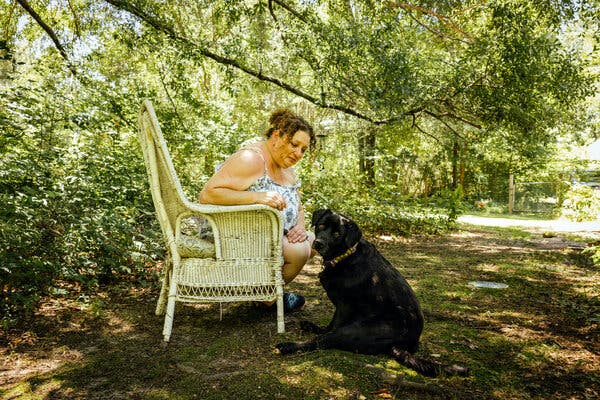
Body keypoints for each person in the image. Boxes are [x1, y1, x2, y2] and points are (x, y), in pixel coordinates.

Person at [199, 108, 317, 312]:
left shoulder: (287, 169)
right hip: (233, 234)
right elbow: (208, 195)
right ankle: (268, 297)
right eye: (294, 144)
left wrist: (299, 225)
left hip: (269, 235)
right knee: (299, 251)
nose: (298, 153)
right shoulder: (251, 159)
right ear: (276, 135)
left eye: (303, 150)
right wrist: (258, 197)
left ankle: (265, 292)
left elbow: (297, 206)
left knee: (316, 240)